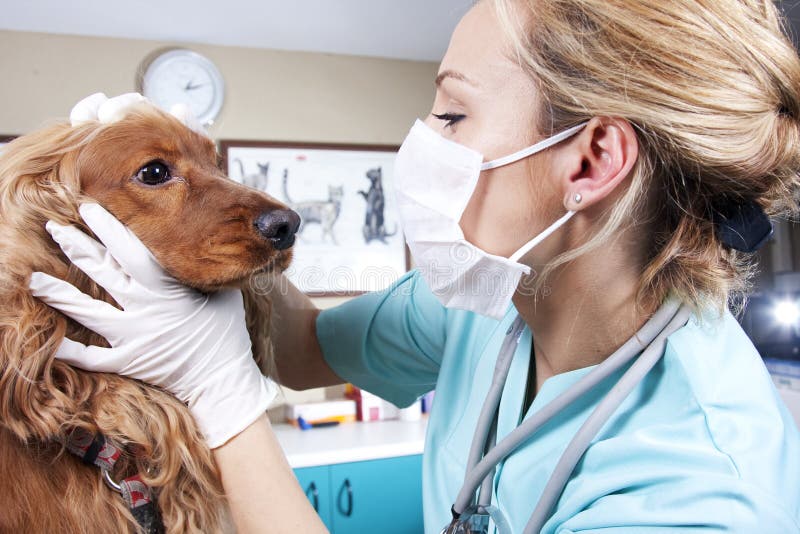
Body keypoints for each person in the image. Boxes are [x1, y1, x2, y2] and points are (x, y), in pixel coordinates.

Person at [28, 0, 800, 532]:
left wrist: (221, 397)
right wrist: (208, 236)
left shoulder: (701, 491)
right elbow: (301, 344)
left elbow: (248, 376)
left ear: (592, 160)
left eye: (453, 114)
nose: (422, 140)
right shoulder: (489, 301)